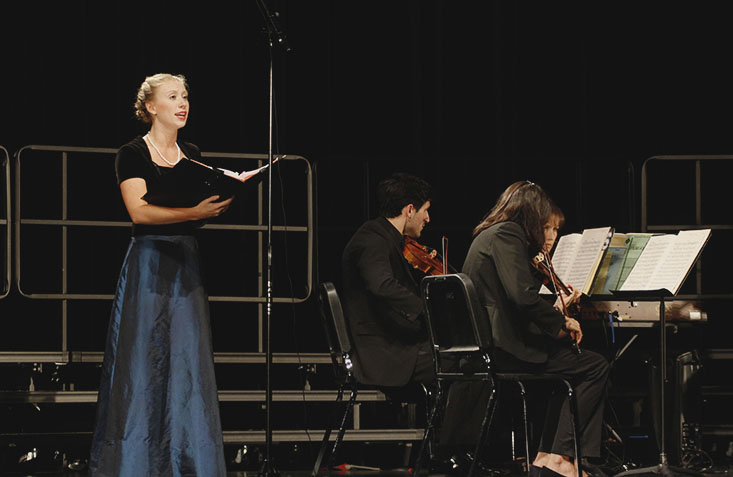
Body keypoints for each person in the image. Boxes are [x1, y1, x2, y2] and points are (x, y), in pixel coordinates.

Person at [89, 73, 232, 476]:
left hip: (185, 259)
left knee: (188, 363)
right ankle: (135, 465)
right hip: (150, 259)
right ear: (152, 107)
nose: (183, 103)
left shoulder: (192, 152)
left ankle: (190, 464)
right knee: (142, 361)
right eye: (173, 96)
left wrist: (215, 204)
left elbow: (193, 209)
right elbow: (140, 212)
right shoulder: (131, 153)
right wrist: (193, 212)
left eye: (185, 96)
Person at [439, 181, 609, 477]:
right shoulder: (508, 234)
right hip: (500, 348)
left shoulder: (491, 234)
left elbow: (512, 296)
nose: (547, 234)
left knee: (570, 365)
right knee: (594, 365)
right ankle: (558, 457)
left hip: (488, 344)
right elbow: (521, 296)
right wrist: (562, 320)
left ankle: (548, 456)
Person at [340, 172, 434, 390]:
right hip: (382, 354)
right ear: (410, 210)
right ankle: (451, 425)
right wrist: (426, 309)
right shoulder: (372, 239)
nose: (428, 219)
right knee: (465, 364)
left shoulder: (383, 236)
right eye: (426, 210)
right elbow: (382, 285)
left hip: (391, 344)